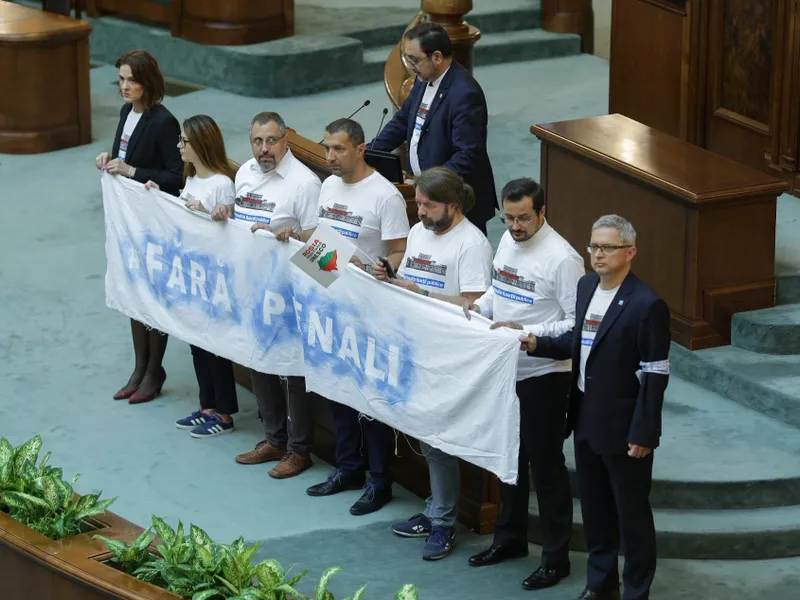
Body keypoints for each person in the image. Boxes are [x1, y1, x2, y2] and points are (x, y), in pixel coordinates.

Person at [519, 215, 671, 600]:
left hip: (624, 428)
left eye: (607, 247)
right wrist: (536, 342)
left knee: (632, 516)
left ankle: (637, 590)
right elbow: (579, 341)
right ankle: (601, 584)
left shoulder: (646, 304)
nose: (597, 255)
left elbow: (655, 373)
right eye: (593, 246)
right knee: (596, 510)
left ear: (630, 252)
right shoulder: (587, 286)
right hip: (586, 418)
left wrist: (644, 432)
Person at [276, 118, 410, 515]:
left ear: (360, 149)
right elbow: (325, 244)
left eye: (338, 149)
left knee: (369, 400)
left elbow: (400, 250)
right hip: (331, 304)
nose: (330, 157)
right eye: (327, 148)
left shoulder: (385, 196)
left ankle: (380, 481)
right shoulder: (329, 186)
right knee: (338, 390)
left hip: (369, 311)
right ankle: (348, 468)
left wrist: (382, 268)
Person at [464, 179, 584, 590]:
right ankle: (510, 539)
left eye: (523, 219)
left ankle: (556, 559)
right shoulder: (508, 241)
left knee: (547, 469)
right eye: (508, 218)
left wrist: (527, 329)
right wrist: (478, 308)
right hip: (505, 369)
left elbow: (576, 323)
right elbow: (501, 288)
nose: (515, 227)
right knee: (509, 461)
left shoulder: (563, 259)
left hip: (546, 375)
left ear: (542, 213)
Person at [373, 166, 493, 560]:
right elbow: (408, 281)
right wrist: (390, 277)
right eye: (418, 204)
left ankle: (443, 522)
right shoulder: (418, 231)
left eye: (427, 205)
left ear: (453, 206)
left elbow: (475, 306)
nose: (420, 212)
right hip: (415, 346)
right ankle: (434, 509)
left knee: (440, 439)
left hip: (450, 353)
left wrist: (419, 290)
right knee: (426, 434)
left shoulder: (472, 244)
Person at [215, 112, 322, 479]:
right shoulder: (244, 172)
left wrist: (290, 237)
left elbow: (324, 250)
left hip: (290, 291)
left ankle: (299, 449)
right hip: (252, 285)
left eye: (271, 141)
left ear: (286, 139)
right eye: (258, 142)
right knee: (258, 359)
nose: (264, 149)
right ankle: (273, 439)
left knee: (293, 371)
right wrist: (227, 211)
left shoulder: (304, 184)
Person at [95, 49, 183, 405]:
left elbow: (176, 177)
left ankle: (154, 370)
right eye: (121, 80)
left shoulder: (164, 122)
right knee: (133, 293)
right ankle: (140, 367)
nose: (125, 87)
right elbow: (124, 156)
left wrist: (132, 172)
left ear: (148, 82)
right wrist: (108, 159)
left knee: (151, 296)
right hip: (128, 219)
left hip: (154, 222)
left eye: (132, 79)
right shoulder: (125, 113)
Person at [144, 115, 239, 438]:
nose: (179, 146)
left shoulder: (222, 184)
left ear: (200, 143)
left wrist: (207, 213)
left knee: (215, 345)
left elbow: (228, 229)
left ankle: (224, 414)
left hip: (214, 275)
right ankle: (207, 406)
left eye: (184, 141)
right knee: (197, 342)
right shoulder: (192, 178)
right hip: (191, 273)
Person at [369, 23, 497, 234]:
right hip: (426, 194)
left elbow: (467, 154)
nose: (410, 66)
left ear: (436, 57)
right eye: (408, 58)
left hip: (455, 199)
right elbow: (403, 120)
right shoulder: (423, 79)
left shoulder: (465, 94)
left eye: (414, 59)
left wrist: (429, 184)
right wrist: (369, 152)